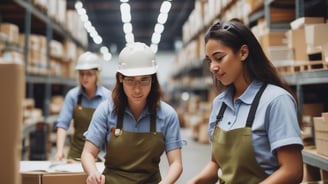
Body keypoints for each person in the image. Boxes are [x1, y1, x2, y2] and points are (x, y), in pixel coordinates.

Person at [188, 19, 304, 184]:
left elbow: (292, 170)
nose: (213, 67)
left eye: (219, 58)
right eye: (209, 61)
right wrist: (194, 181)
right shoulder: (219, 104)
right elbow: (216, 164)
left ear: (243, 53)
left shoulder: (276, 100)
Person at [81, 42, 184, 184]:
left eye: (144, 80)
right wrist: (93, 173)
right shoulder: (106, 110)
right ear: (120, 79)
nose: (137, 89)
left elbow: (176, 163)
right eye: (130, 80)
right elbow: (88, 153)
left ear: (153, 80)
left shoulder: (167, 115)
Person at [54, 51, 111, 161]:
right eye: (81, 73)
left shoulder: (107, 97)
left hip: (100, 155)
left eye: (89, 74)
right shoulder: (73, 96)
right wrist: (59, 151)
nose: (85, 77)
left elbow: (112, 129)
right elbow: (62, 125)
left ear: (97, 75)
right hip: (76, 154)